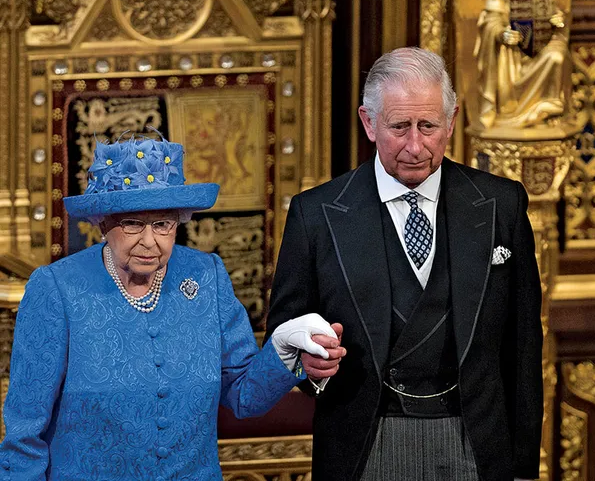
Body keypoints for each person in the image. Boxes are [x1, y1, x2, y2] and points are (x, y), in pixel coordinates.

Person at [0, 132, 344, 481]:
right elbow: (25, 435)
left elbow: (244, 395)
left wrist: (283, 351)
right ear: (103, 222)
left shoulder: (205, 276)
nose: (150, 241)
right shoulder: (57, 289)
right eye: (132, 223)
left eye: (163, 223)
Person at [266, 47, 543, 481]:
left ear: (450, 122)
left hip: (477, 441)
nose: (416, 146)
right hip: (366, 444)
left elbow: (523, 347)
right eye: (399, 126)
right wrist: (309, 366)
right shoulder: (316, 215)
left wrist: (524, 468)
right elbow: (285, 334)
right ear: (369, 123)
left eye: (428, 126)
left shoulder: (501, 206)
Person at [474, 0, 570, 129]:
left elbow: (551, 7)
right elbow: (491, 18)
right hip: (512, 49)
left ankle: (549, 107)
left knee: (557, 55)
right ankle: (510, 111)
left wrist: (556, 19)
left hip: (541, 42)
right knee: (509, 54)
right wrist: (501, 33)